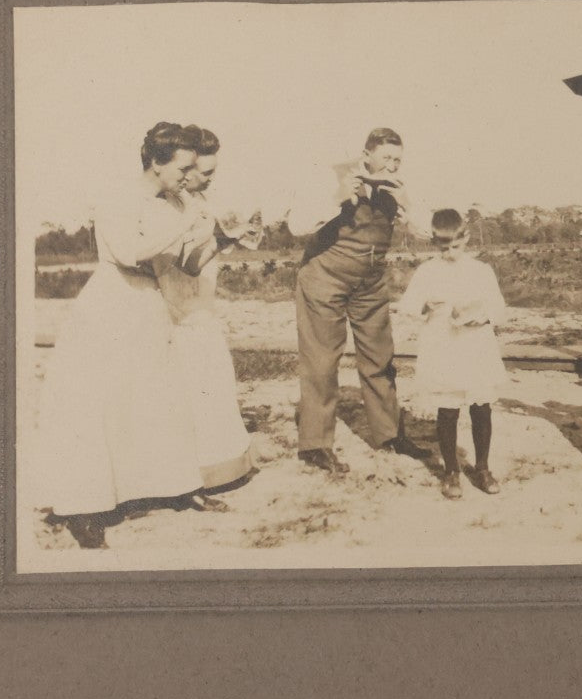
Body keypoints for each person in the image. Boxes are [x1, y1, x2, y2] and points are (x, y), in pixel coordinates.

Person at [32, 122, 213, 548]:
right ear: (155, 162)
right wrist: (188, 218)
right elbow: (131, 251)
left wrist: (217, 235)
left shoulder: (171, 202)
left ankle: (159, 489)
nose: (188, 178)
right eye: (183, 169)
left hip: (147, 304)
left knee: (150, 396)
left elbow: (183, 261)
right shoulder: (119, 197)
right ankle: (81, 510)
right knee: (98, 403)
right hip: (111, 306)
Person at [284, 127, 430, 477]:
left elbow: (426, 231)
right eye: (386, 159)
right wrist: (337, 196)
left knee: (380, 358)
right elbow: (296, 225)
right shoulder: (333, 177)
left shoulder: (397, 187)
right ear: (367, 155)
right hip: (325, 278)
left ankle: (390, 435)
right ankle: (315, 445)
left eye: (398, 159)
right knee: (321, 362)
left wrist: (408, 202)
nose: (393, 166)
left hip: (370, 282)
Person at [150, 125, 255, 508]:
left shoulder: (199, 201)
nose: (209, 179)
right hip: (177, 307)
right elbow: (186, 262)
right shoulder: (167, 206)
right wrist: (222, 238)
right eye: (204, 172)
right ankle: (189, 480)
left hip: (201, 304)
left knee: (211, 382)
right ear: (187, 167)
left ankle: (219, 469)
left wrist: (232, 234)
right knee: (188, 390)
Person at [397, 209, 508, 498]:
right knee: (447, 409)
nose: (449, 253)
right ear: (434, 242)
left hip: (475, 346)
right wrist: (426, 306)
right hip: (443, 345)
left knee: (481, 406)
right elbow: (408, 307)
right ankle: (451, 470)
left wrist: (481, 316)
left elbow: (498, 309)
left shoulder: (481, 271)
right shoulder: (428, 271)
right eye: (443, 248)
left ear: (466, 238)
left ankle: (482, 467)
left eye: (455, 247)